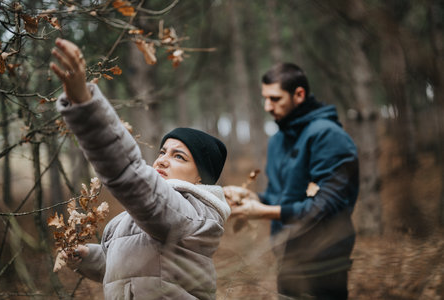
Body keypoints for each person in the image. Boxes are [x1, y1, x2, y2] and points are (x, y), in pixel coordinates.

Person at [50, 38, 230, 299]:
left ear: (201, 176)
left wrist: (86, 105)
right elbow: (132, 269)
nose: (162, 160)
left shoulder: (191, 216)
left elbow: (129, 175)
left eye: (179, 156)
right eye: (162, 152)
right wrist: (91, 256)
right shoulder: (135, 219)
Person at [224, 63, 359, 299]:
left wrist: (263, 212)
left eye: (275, 99)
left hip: (324, 261)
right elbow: (281, 197)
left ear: (299, 94)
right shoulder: (277, 140)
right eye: (265, 98)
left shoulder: (327, 135)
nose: (267, 106)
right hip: (287, 256)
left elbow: (325, 207)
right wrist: (252, 198)